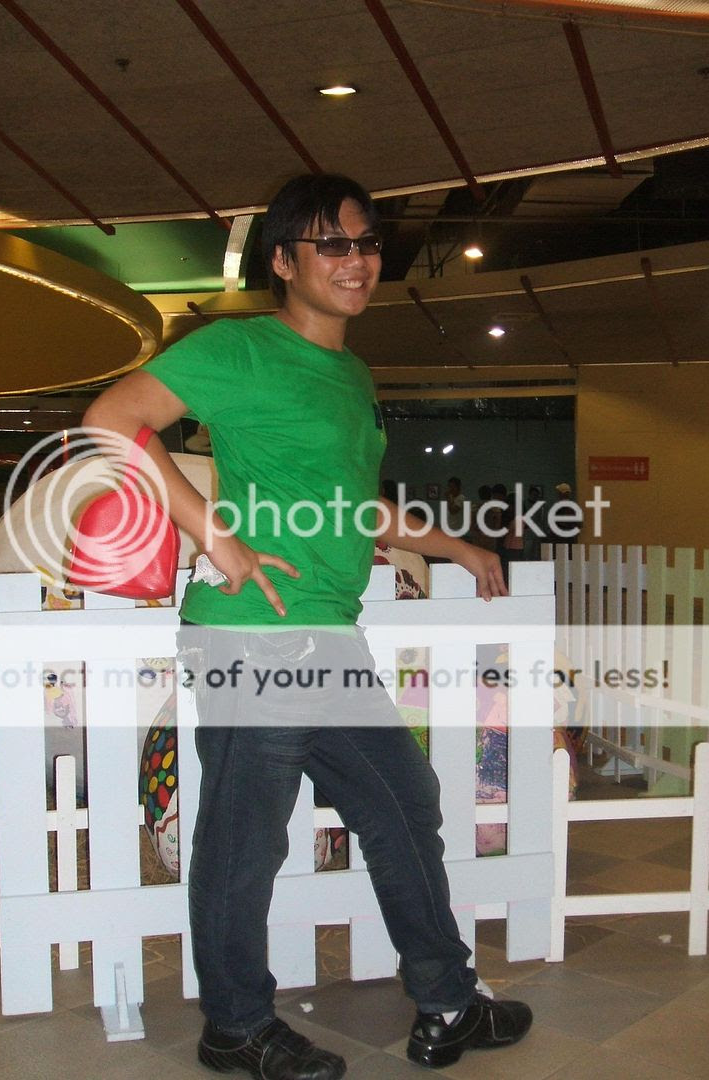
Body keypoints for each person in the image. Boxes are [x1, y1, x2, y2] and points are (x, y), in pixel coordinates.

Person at [83, 174, 532, 1079]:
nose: (355, 260)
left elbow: (355, 505)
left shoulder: (350, 373)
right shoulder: (242, 347)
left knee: (405, 806)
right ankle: (236, 1025)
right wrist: (217, 539)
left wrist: (455, 544)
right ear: (284, 261)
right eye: (332, 244)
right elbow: (111, 419)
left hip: (324, 635)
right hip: (256, 634)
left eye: (366, 244)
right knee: (246, 840)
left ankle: (447, 1002)